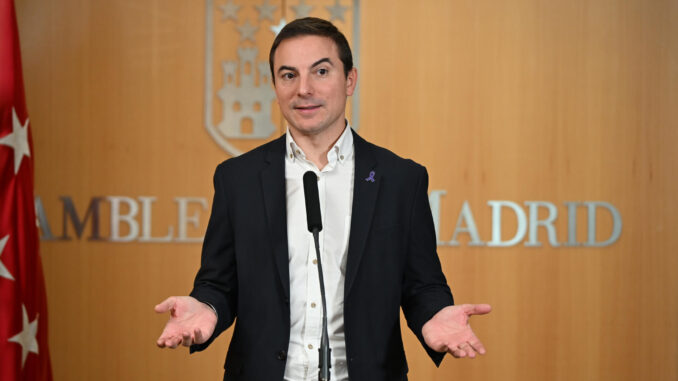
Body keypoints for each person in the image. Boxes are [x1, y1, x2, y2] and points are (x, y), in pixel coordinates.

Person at [155, 17, 491, 381]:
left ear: (350, 80)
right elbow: (219, 283)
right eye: (288, 75)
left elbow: (421, 283)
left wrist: (433, 315)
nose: (304, 89)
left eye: (320, 72)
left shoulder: (401, 179)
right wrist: (206, 307)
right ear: (275, 85)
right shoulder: (238, 178)